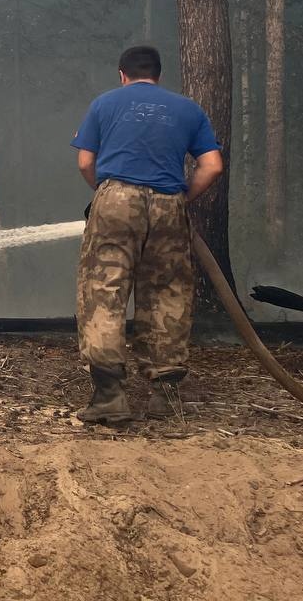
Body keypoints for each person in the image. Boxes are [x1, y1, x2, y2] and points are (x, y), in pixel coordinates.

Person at [69, 45, 224, 424]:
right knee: (167, 292)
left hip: (116, 198)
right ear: (157, 74)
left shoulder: (105, 104)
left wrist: (106, 195)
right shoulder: (188, 109)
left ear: (122, 74)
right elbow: (213, 166)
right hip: (170, 202)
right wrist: (182, 197)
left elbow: (85, 161)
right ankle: (164, 397)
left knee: (104, 290)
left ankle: (109, 396)